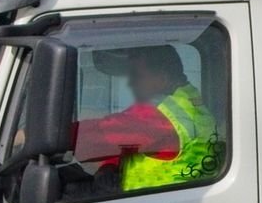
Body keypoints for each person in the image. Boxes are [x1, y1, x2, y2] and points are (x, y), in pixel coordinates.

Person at [73, 45, 220, 190]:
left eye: (136, 75)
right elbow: (136, 143)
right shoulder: (188, 101)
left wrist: (56, 132)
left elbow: (94, 137)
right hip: (167, 202)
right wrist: (110, 165)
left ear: (162, 79)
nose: (130, 83)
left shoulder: (159, 115)